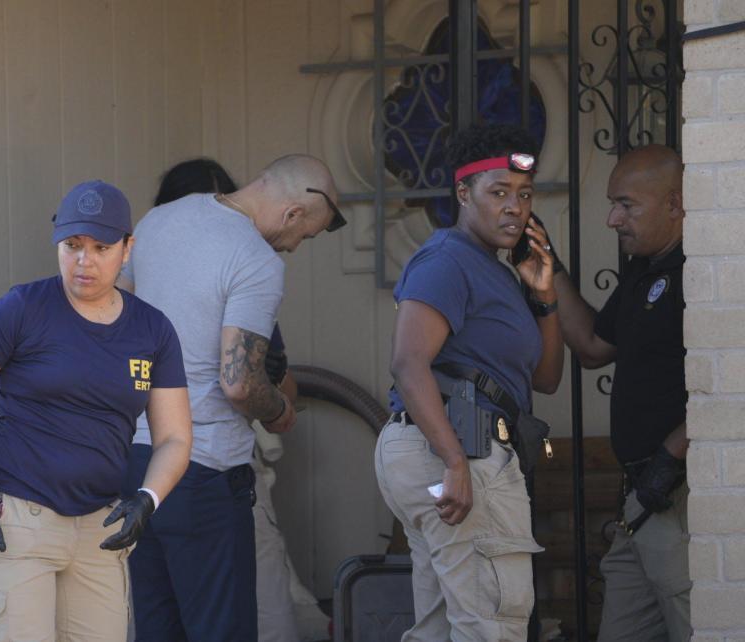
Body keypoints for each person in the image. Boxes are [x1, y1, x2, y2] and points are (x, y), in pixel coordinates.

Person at [0, 180, 193, 641]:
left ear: (128, 249)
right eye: (72, 245)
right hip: (13, 520)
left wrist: (148, 499)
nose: (84, 261)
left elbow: (174, 438)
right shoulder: (26, 308)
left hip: (99, 529)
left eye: (101, 247)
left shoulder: (152, 330)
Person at [119, 154, 346, 642]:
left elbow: (113, 319)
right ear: (293, 215)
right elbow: (239, 382)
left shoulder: (157, 221)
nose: (294, 247)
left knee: (155, 629)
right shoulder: (255, 258)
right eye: (303, 238)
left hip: (138, 464)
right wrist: (280, 410)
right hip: (205, 473)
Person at [375, 123, 564, 641]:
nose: (515, 208)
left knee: (446, 629)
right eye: (498, 192)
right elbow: (408, 363)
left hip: (463, 448)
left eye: (524, 195)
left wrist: (543, 294)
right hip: (459, 448)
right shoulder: (448, 259)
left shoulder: (496, 271)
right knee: (491, 625)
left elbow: (546, 378)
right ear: (463, 193)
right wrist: (454, 460)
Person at [546, 144, 689, 641]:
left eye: (627, 204)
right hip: (639, 501)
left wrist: (672, 454)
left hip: (680, 496)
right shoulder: (643, 272)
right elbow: (590, 347)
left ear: (675, 204)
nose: (612, 218)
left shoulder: (709, 274)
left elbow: (732, 382)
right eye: (613, 203)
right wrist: (548, 267)